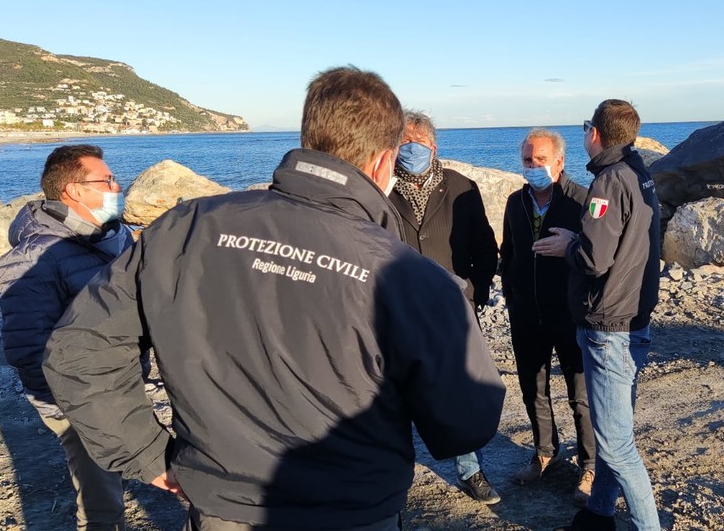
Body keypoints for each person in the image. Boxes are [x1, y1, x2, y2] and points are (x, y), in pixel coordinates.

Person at [42, 67, 506, 531]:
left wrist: (145, 452)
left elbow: (78, 350)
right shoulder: (414, 278)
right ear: (385, 161)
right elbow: (465, 423)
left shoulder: (184, 228)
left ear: (310, 137)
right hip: (354, 507)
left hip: (221, 506)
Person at [533, 100, 663, 531]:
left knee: (618, 446)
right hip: (633, 317)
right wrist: (580, 237)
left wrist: (567, 245)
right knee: (613, 432)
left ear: (595, 133)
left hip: (609, 325)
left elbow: (593, 258)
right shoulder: (640, 173)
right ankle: (599, 514)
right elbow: (622, 242)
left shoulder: (608, 181)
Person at [0, 144, 134, 531]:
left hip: (120, 384)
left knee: (120, 471)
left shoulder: (115, 237)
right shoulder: (34, 257)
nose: (117, 187)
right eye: (107, 180)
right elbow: (27, 346)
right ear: (74, 190)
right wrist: (68, 407)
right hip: (79, 398)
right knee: (101, 504)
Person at [387, 110, 502, 505]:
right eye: (403, 142)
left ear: (433, 147)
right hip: (397, 309)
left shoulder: (460, 187)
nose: (410, 149)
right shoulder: (381, 189)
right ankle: (393, 472)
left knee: (457, 390)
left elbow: (485, 248)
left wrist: (475, 291)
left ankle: (470, 470)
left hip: (453, 309)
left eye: (417, 142)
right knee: (393, 393)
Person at [500, 128, 595, 504]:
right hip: (526, 314)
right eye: (527, 160)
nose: (533, 166)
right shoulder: (515, 202)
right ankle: (544, 452)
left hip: (570, 314)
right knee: (533, 389)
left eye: (540, 159)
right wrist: (511, 295)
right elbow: (508, 252)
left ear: (559, 162)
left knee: (580, 395)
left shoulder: (581, 200)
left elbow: (596, 256)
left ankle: (590, 465)